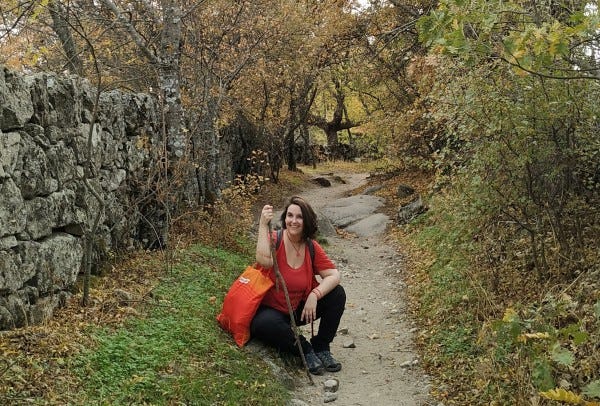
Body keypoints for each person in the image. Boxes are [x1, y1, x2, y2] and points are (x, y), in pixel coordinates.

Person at [250, 196, 346, 375]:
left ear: (306, 221)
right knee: (263, 324)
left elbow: (334, 275)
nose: (293, 221)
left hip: (298, 309)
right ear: (284, 218)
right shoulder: (274, 239)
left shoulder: (311, 247)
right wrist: (263, 225)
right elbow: (264, 261)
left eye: (299, 217)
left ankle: (322, 347)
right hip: (272, 310)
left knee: (337, 294)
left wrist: (314, 295)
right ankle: (305, 349)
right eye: (290, 216)